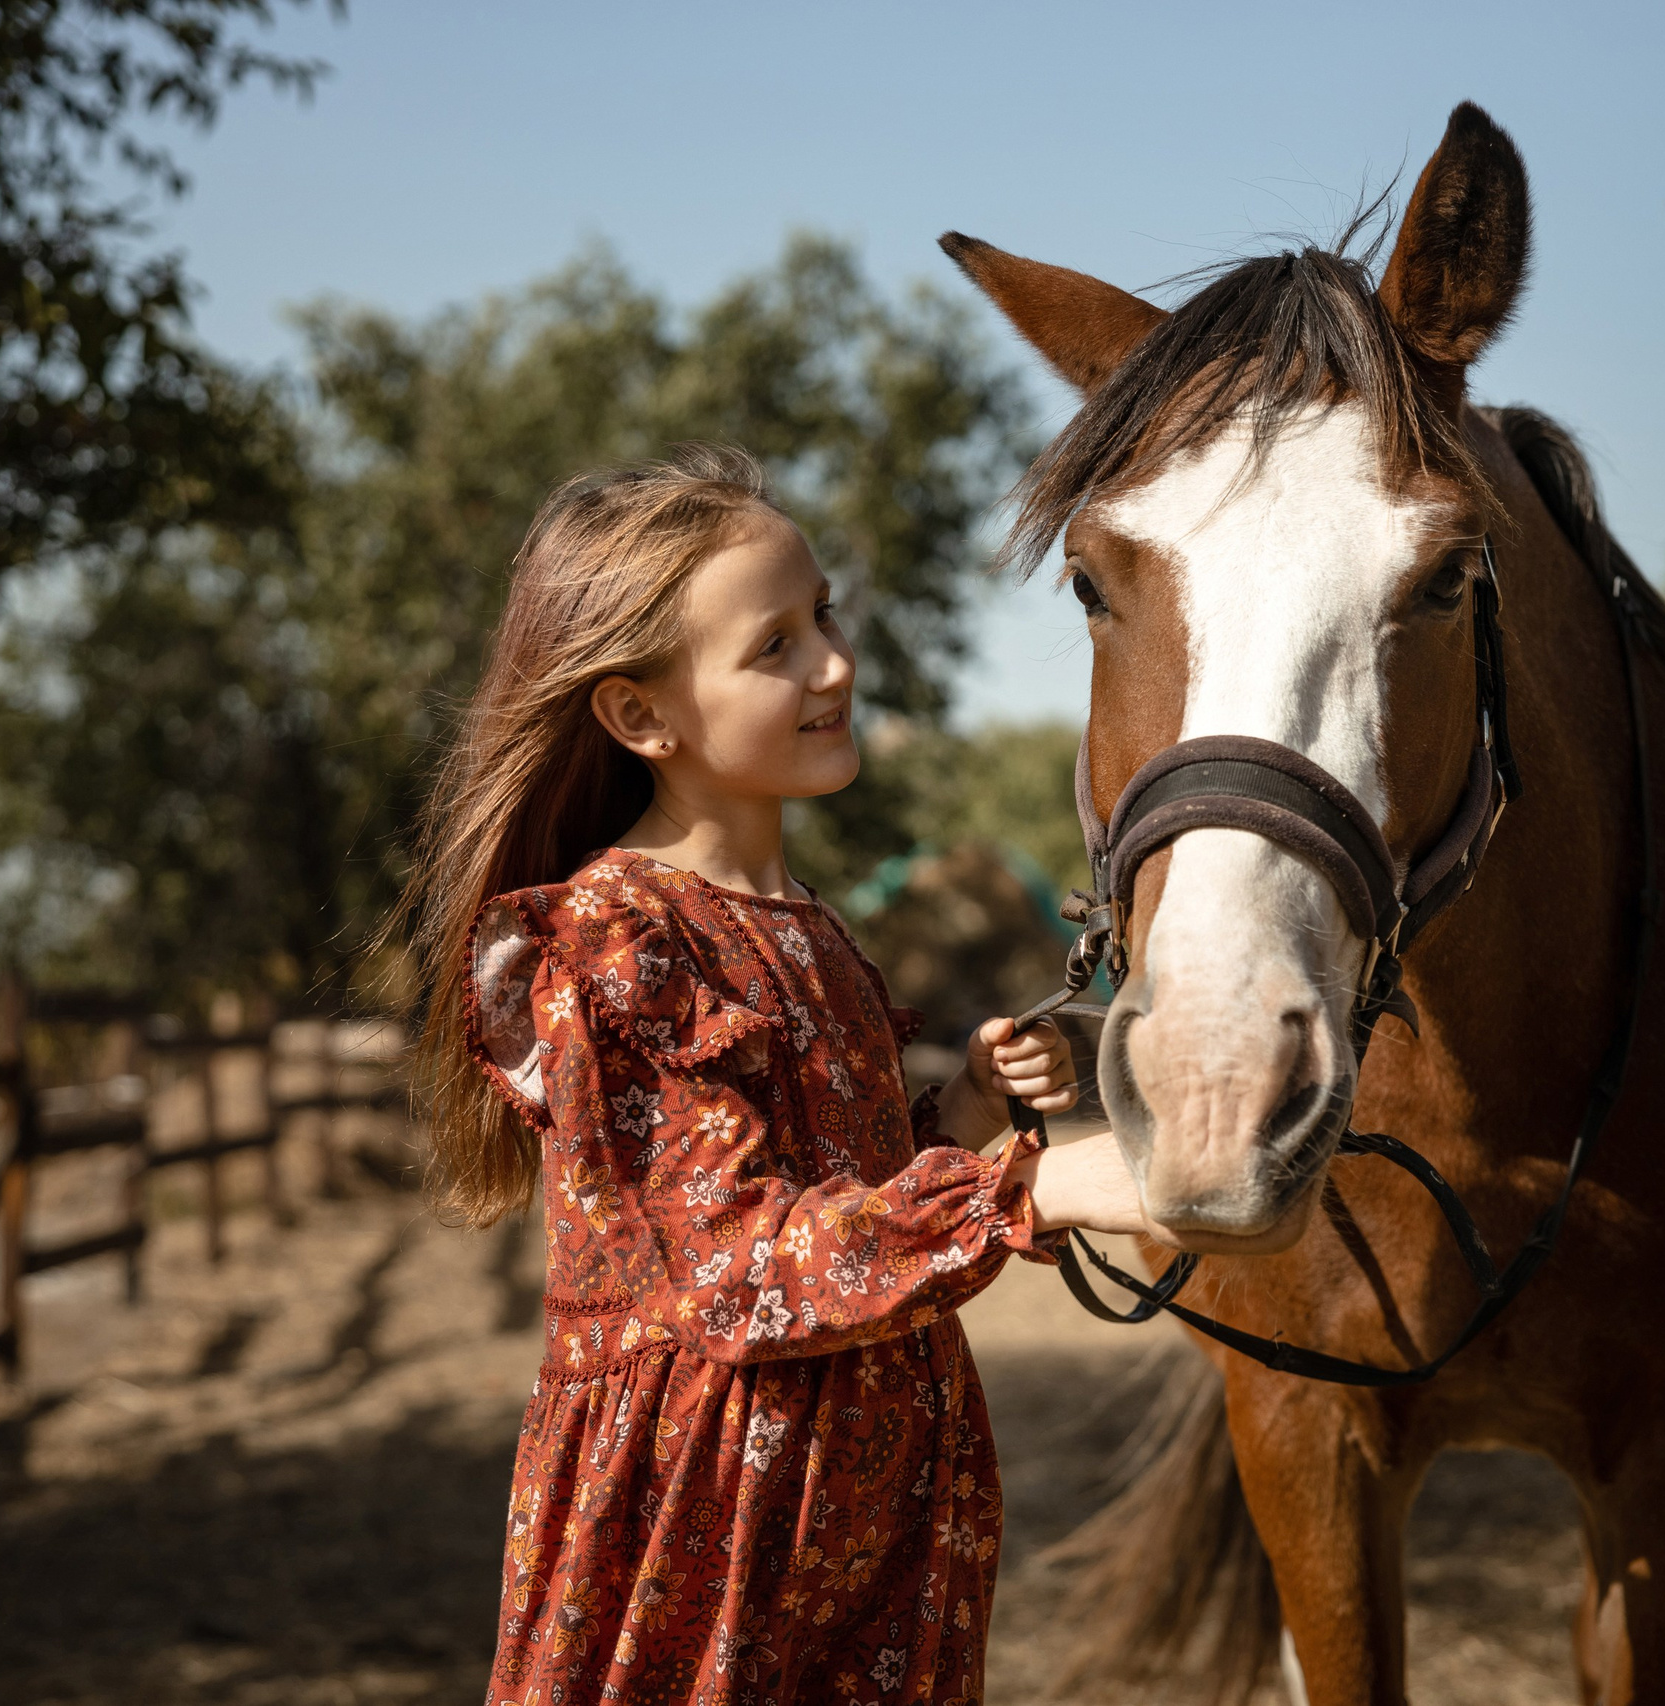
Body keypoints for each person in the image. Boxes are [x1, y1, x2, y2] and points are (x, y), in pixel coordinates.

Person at [406, 444, 1151, 1704]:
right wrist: (1035, 1190)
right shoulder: (617, 940)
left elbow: (832, 1195)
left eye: (825, 617)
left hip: (874, 1501)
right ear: (641, 717)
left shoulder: (809, 924)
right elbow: (735, 1263)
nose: (836, 665)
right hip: (710, 1529)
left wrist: (963, 1115)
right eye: (776, 646)